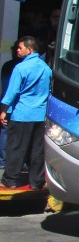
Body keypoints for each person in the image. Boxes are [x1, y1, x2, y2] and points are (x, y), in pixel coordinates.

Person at [0, 36, 52, 189]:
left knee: (16, 147)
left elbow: (12, 92)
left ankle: (10, 180)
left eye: (20, 47)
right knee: (37, 149)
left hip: (22, 114)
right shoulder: (46, 68)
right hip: (40, 115)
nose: (17, 50)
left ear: (29, 50)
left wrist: (3, 111)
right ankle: (37, 182)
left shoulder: (20, 68)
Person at [0, 41, 20, 169]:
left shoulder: (7, 65)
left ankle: (2, 160)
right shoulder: (20, 67)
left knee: (5, 132)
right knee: (15, 134)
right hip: (16, 104)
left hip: (6, 103)